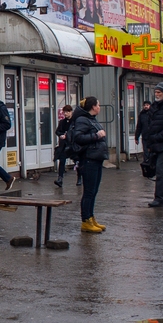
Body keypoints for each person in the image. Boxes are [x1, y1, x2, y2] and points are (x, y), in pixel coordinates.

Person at [70, 97, 108, 233]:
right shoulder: (82, 120)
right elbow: (78, 138)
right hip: (88, 159)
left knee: (94, 191)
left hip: (97, 158)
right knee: (89, 192)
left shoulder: (92, 119)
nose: (99, 107)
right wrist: (96, 136)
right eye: (98, 105)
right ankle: (85, 221)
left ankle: (91, 217)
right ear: (93, 106)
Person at [53, 104, 74, 187]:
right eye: (64, 112)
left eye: (67, 112)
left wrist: (67, 135)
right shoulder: (62, 122)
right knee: (62, 160)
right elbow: (57, 131)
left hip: (73, 144)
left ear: (71, 112)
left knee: (77, 161)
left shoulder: (75, 122)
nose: (65, 114)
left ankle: (79, 177)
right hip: (63, 145)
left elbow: (76, 132)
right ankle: (60, 179)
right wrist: (61, 135)